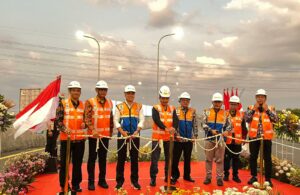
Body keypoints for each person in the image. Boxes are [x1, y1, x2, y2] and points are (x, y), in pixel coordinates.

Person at [56, 81, 86, 193]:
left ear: (80, 92)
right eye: (74, 90)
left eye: (78, 90)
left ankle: (76, 185)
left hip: (79, 140)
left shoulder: (83, 105)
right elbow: (58, 121)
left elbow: (87, 120)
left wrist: (85, 124)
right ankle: (64, 186)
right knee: (64, 165)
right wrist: (64, 129)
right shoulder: (63, 103)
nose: (76, 92)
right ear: (70, 91)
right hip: (66, 140)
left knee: (77, 164)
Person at [114, 85, 145, 190]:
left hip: (135, 136)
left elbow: (141, 120)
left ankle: (134, 181)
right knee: (121, 159)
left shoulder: (139, 106)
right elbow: (116, 120)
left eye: (132, 93)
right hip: (122, 136)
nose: (130, 95)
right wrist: (122, 132)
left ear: (134, 94)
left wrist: (138, 130)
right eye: (128, 93)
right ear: (125, 94)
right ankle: (119, 182)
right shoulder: (119, 106)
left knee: (135, 159)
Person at [85, 80, 114, 190]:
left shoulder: (110, 102)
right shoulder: (90, 102)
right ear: (97, 90)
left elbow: (110, 118)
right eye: (101, 89)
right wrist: (93, 130)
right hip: (94, 137)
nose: (103, 91)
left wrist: (110, 132)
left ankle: (102, 180)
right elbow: (87, 118)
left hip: (105, 136)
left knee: (103, 158)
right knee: (92, 158)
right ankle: (91, 181)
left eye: (104, 90)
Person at [246, 89, 278, 187]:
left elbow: (276, 120)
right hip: (254, 137)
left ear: (265, 98)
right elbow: (246, 119)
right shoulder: (250, 107)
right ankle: (254, 176)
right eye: (258, 97)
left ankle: (268, 179)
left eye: (262, 97)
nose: (260, 98)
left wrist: (267, 110)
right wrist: (253, 110)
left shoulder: (271, 108)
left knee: (267, 159)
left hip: (266, 138)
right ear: (256, 98)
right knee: (253, 157)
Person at [149, 85, 179, 187]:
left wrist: (174, 127)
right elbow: (156, 120)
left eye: (166, 98)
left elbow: (175, 120)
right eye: (163, 98)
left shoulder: (172, 108)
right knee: (154, 160)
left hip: (169, 139)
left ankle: (167, 176)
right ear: (159, 97)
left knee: (169, 159)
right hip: (157, 139)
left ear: (169, 98)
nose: (165, 100)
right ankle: (153, 178)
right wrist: (166, 128)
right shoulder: (155, 108)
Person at [202, 92, 231, 186]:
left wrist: (227, 131)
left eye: (219, 102)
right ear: (212, 102)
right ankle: (208, 177)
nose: (217, 103)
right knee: (208, 159)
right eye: (215, 102)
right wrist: (210, 130)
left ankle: (219, 178)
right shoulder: (206, 111)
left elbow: (230, 126)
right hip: (209, 139)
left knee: (220, 160)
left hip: (221, 140)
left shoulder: (226, 113)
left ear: (221, 102)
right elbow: (203, 124)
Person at [171, 92, 198, 184]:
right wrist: (176, 135)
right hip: (178, 140)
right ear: (180, 101)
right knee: (175, 159)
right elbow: (174, 124)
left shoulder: (193, 111)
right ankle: (175, 176)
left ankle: (187, 176)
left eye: (187, 100)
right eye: (183, 100)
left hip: (188, 140)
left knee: (187, 159)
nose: (185, 102)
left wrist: (195, 135)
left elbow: (195, 124)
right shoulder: (176, 110)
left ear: (189, 101)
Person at [223, 95, 248, 183]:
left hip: (237, 141)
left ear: (238, 105)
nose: (233, 106)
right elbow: (222, 127)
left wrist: (244, 138)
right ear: (229, 104)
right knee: (226, 159)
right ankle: (226, 175)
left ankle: (235, 175)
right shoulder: (225, 114)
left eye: (235, 104)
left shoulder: (241, 115)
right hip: (228, 141)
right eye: (232, 104)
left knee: (236, 159)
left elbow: (244, 128)